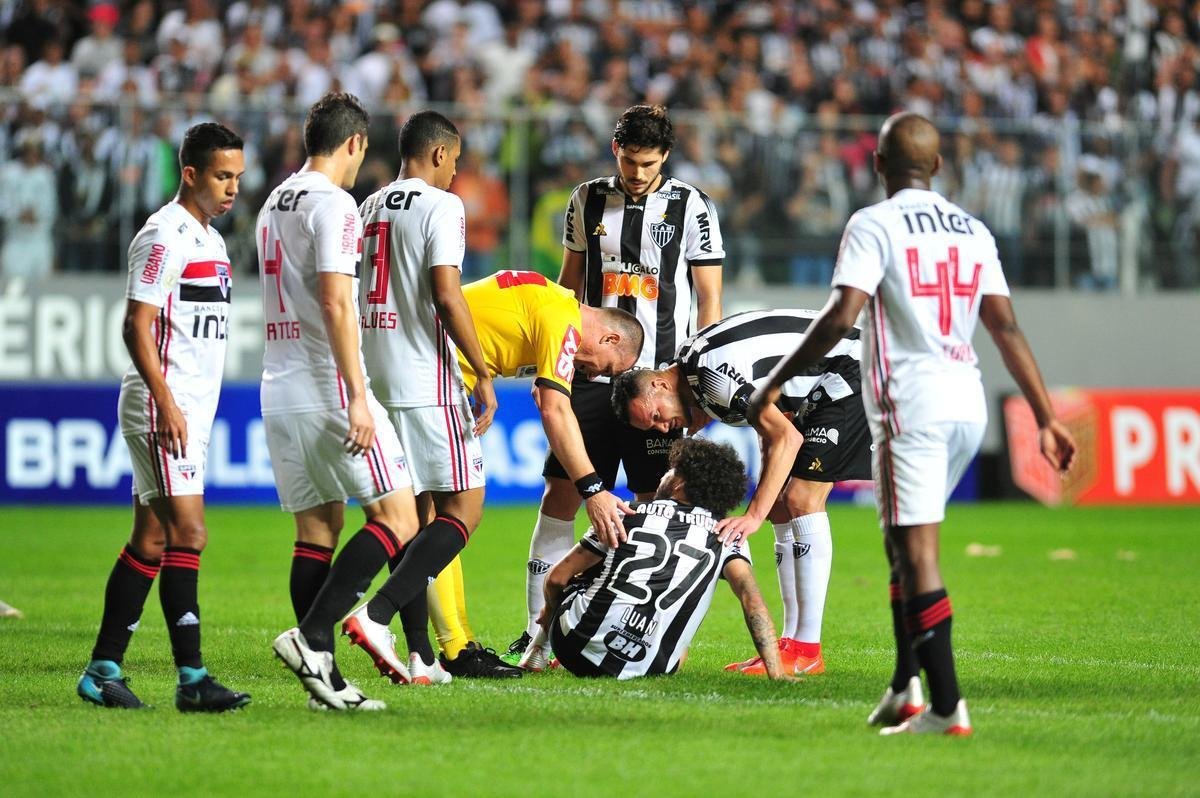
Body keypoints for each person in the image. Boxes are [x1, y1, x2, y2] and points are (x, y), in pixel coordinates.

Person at [747, 112, 1076, 736]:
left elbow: (843, 313)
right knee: (902, 547)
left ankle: (947, 707)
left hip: (911, 406)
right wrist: (1047, 417)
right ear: (940, 168)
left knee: (918, 554)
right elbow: (1004, 325)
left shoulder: (874, 222)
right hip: (966, 401)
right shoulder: (973, 229)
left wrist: (774, 380)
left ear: (877, 165)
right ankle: (904, 686)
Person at [339, 269, 644, 683]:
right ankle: (392, 623)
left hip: (401, 370)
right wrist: (593, 488)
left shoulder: (545, 299)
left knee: (419, 521)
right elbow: (555, 410)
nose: (591, 375)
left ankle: (424, 653)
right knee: (462, 509)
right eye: (603, 367)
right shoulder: (563, 318)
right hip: (434, 385)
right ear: (610, 338)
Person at [504, 103, 725, 665]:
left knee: (657, 505)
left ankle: (637, 626)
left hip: (660, 385)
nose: (637, 173)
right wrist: (558, 356)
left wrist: (701, 385)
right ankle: (539, 633)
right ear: (615, 151)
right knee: (562, 491)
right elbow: (568, 288)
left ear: (666, 158)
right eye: (629, 161)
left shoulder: (693, 206)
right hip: (595, 375)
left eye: (648, 164)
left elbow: (709, 303)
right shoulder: (586, 199)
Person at [76, 122, 250, 712]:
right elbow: (135, 325)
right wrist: (168, 400)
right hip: (163, 403)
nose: (232, 189)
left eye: (238, 178)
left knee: (150, 539)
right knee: (189, 533)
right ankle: (193, 679)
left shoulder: (213, 240)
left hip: (187, 407)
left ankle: (102, 671)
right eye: (223, 177)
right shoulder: (163, 236)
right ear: (191, 173)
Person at [259, 92, 419, 711]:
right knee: (397, 519)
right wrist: (357, 395)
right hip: (329, 387)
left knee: (317, 529)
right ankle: (313, 634)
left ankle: (320, 678)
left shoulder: (273, 201)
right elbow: (334, 302)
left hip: (279, 387)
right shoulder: (336, 204)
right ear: (354, 143)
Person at [610, 308, 872, 676]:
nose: (663, 427)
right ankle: (790, 645)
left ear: (659, 385)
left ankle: (807, 650)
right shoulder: (693, 373)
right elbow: (771, 429)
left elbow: (786, 437)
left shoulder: (714, 378)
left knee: (800, 499)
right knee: (782, 506)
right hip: (822, 377)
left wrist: (753, 515)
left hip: (853, 364)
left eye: (656, 416)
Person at [352, 109, 496, 685]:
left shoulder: (368, 206)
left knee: (409, 518)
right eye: (455, 162)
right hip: (424, 376)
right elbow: (446, 291)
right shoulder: (443, 206)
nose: (455, 174)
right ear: (438, 154)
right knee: (465, 508)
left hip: (375, 376)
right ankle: (376, 615)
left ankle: (419, 656)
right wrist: (482, 372)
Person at [528, 437, 787, 680]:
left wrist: (550, 611)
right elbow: (752, 601)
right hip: (656, 667)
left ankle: (538, 649)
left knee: (592, 568)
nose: (663, 475)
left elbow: (556, 578)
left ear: (678, 483)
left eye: (671, 470)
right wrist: (776, 672)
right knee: (678, 636)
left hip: (573, 649)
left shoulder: (628, 512)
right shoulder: (727, 534)